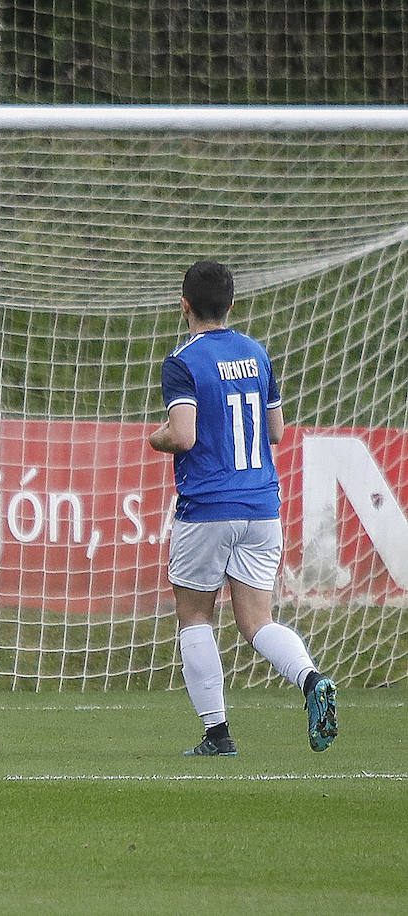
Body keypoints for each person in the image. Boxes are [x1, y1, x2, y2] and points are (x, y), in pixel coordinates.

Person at [148, 259, 337, 757]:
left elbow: (183, 434)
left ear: (183, 303)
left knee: (195, 618)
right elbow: (276, 432)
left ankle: (217, 734)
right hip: (261, 506)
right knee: (257, 623)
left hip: (208, 506)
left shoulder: (182, 360)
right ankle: (311, 678)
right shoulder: (256, 353)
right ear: (231, 304)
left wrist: (157, 437)